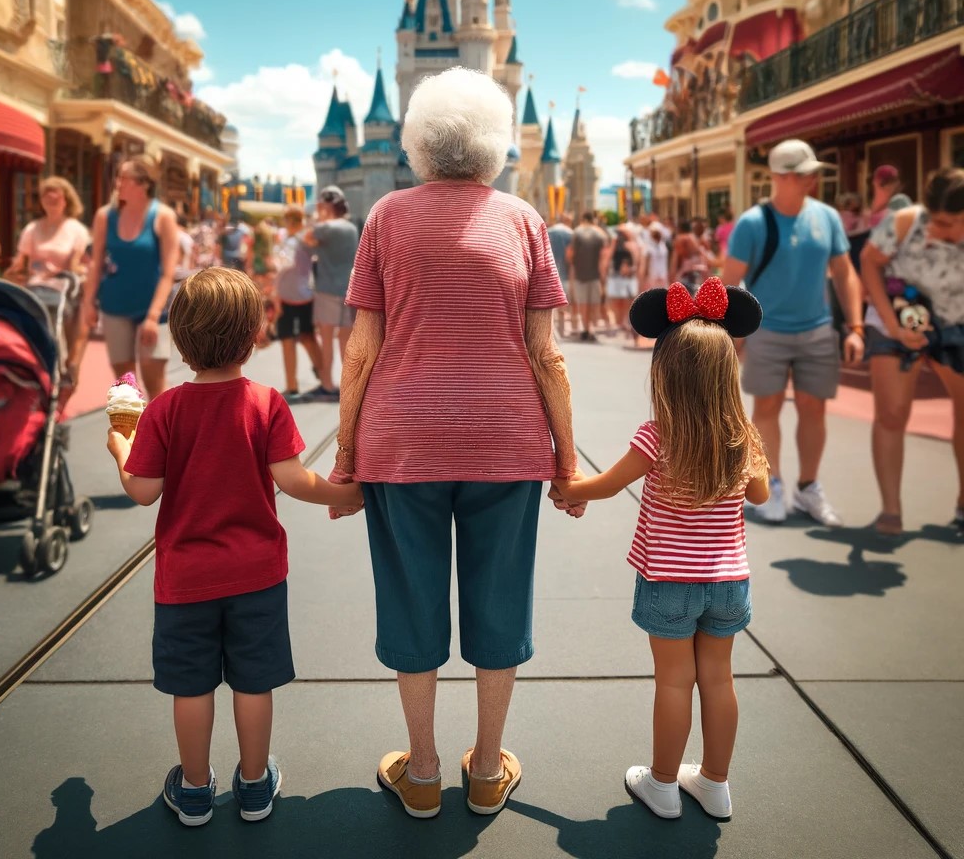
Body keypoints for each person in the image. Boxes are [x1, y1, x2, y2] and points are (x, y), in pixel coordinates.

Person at [330, 68, 579, 820]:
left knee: (411, 600)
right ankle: (486, 766)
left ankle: (425, 770)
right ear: (496, 143)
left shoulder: (385, 219)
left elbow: (361, 349)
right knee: (500, 600)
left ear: (417, 145)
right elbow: (547, 354)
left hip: (401, 442)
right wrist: (567, 460)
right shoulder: (524, 220)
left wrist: (345, 457)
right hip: (506, 441)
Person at [106, 267, 362, 827]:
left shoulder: (166, 409)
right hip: (258, 575)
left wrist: (120, 444)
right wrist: (351, 493)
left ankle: (194, 789)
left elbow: (143, 491)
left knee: (192, 687)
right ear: (253, 337)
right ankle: (253, 785)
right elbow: (294, 481)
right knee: (253, 681)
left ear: (180, 338)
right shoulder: (266, 402)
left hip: (185, 578)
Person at [553, 277, 769, 821]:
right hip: (728, 581)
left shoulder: (659, 433)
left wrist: (567, 490)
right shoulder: (742, 433)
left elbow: (605, 485)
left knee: (674, 681)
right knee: (718, 679)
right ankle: (716, 783)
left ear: (664, 372)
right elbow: (760, 493)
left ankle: (664, 785)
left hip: (670, 580)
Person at [721, 139, 865, 528]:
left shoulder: (827, 217)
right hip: (766, 331)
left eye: (812, 174)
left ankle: (808, 487)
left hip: (817, 330)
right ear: (779, 177)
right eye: (803, 174)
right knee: (765, 409)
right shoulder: (752, 223)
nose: (811, 180)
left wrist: (855, 327)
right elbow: (729, 280)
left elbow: (845, 272)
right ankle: (773, 487)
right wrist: (726, 336)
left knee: (813, 408)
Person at [859, 168, 964, 534]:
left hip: (954, 319)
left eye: (950, 223)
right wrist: (891, 325)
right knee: (891, 413)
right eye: (934, 220)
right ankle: (891, 509)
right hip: (896, 312)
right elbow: (869, 262)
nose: (939, 230)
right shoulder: (904, 222)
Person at [82, 154, 180, 401]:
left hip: (153, 311)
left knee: (153, 379)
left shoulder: (163, 216)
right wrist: (88, 303)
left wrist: (152, 316)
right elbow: (96, 265)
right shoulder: (105, 216)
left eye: (124, 178)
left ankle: (167, 434)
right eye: (118, 177)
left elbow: (169, 272)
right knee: (126, 385)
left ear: (144, 184)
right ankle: (134, 437)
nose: (118, 183)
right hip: (115, 306)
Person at [6, 176, 92, 385]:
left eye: (56, 197)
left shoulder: (76, 230)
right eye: (47, 197)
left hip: (63, 289)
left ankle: (57, 366)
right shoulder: (32, 228)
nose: (51, 201)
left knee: (51, 311)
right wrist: (8, 274)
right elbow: (19, 263)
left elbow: (77, 265)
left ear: (66, 200)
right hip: (34, 287)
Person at [302, 186, 358, 400]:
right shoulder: (351, 228)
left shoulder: (325, 228)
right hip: (347, 289)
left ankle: (327, 384)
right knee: (345, 341)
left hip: (326, 289)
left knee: (326, 340)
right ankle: (350, 385)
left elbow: (307, 238)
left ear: (326, 205)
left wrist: (319, 217)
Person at [273, 206, 323, 403]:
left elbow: (284, 264)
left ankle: (300, 382)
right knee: (301, 338)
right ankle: (314, 376)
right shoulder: (293, 239)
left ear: (290, 221)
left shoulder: (300, 240)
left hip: (297, 294)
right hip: (298, 294)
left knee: (299, 338)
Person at [567, 211, 609, 341]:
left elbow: (570, 254)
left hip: (580, 274)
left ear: (583, 219)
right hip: (595, 275)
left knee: (583, 303)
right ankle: (591, 329)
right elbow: (604, 257)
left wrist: (573, 268)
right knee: (594, 304)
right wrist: (603, 277)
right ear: (593, 220)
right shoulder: (600, 234)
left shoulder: (577, 232)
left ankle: (585, 329)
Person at [606, 226, 638, 339]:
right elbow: (609, 258)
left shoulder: (631, 245)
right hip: (616, 276)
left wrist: (632, 269)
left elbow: (636, 260)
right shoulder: (614, 245)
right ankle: (619, 322)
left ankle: (624, 322)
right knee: (616, 301)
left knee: (626, 301)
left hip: (626, 277)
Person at [547, 213, 573, 338]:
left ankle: (553, 332)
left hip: (549, 273)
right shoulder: (570, 234)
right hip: (565, 274)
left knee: (551, 307)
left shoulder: (549, 232)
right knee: (563, 305)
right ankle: (561, 331)